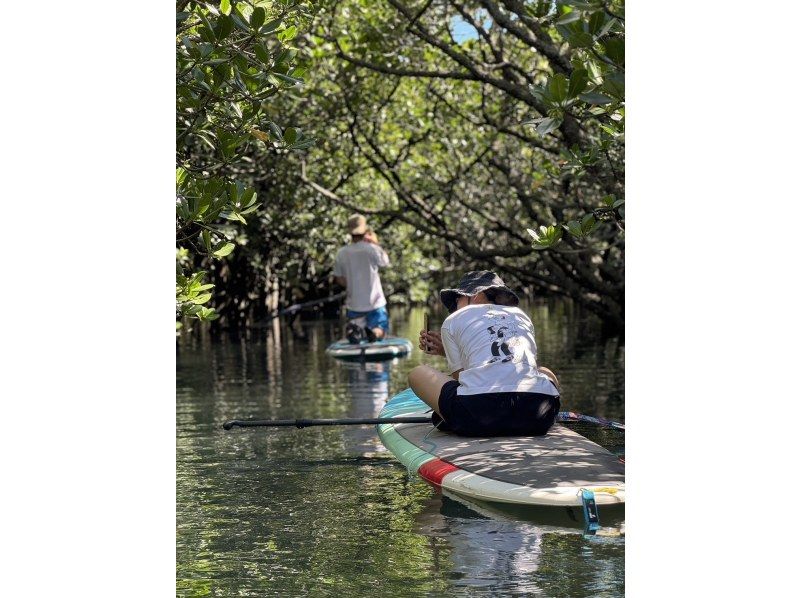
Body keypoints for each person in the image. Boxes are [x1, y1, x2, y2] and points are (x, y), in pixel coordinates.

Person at [410, 270, 560, 437]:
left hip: (479, 416)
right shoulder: (521, 316)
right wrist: (447, 351)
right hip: (540, 414)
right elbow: (513, 364)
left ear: (477, 295)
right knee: (544, 371)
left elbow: (461, 379)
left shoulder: (453, 320)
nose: (455, 306)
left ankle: (450, 419)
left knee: (417, 373)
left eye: (458, 298)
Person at [333, 214, 391, 344]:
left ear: (350, 232)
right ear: (365, 231)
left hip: (354, 305)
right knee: (380, 328)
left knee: (356, 329)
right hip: (375, 304)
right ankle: (375, 333)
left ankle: (355, 331)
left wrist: (352, 284)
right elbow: (385, 262)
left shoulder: (341, 253)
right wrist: (375, 243)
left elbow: (339, 279)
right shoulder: (372, 249)